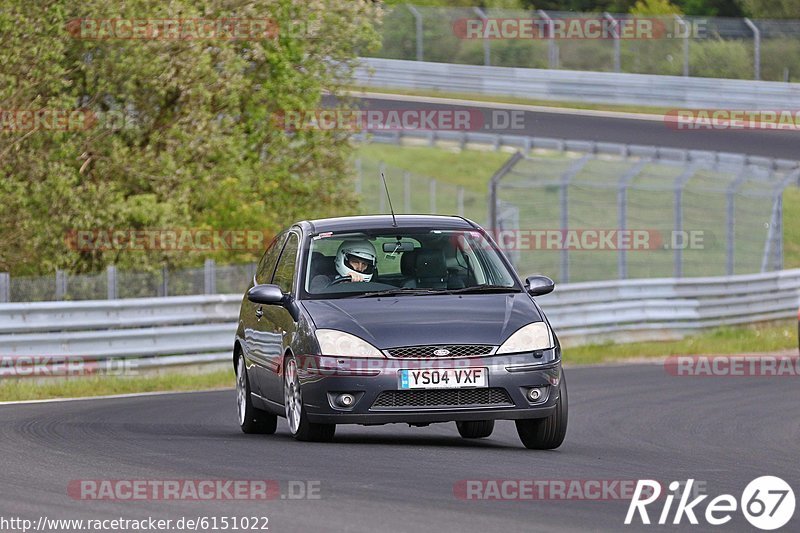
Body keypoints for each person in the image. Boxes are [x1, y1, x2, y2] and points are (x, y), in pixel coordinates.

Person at [310, 239, 377, 291]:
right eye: (355, 262)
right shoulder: (322, 280)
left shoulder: (373, 285)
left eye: (364, 264)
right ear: (342, 259)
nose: (359, 268)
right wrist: (342, 286)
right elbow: (317, 302)